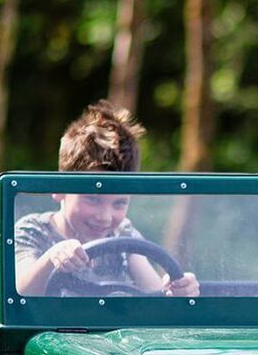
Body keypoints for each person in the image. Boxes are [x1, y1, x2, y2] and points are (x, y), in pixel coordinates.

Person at [14, 100, 200, 297]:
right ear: (60, 189)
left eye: (119, 203)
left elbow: (154, 295)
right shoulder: (32, 231)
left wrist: (176, 292)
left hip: (111, 328)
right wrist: (52, 257)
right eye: (93, 199)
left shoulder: (122, 233)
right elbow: (20, 294)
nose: (105, 217)